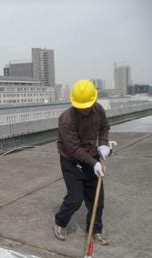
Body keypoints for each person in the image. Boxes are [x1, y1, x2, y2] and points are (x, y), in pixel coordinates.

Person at [53, 79, 110, 245]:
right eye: (81, 107)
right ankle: (60, 222)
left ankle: (95, 229)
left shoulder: (98, 109)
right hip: (71, 160)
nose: (85, 110)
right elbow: (74, 149)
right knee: (75, 198)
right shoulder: (67, 119)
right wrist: (94, 163)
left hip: (92, 157)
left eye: (87, 106)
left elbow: (104, 127)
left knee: (97, 198)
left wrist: (104, 145)